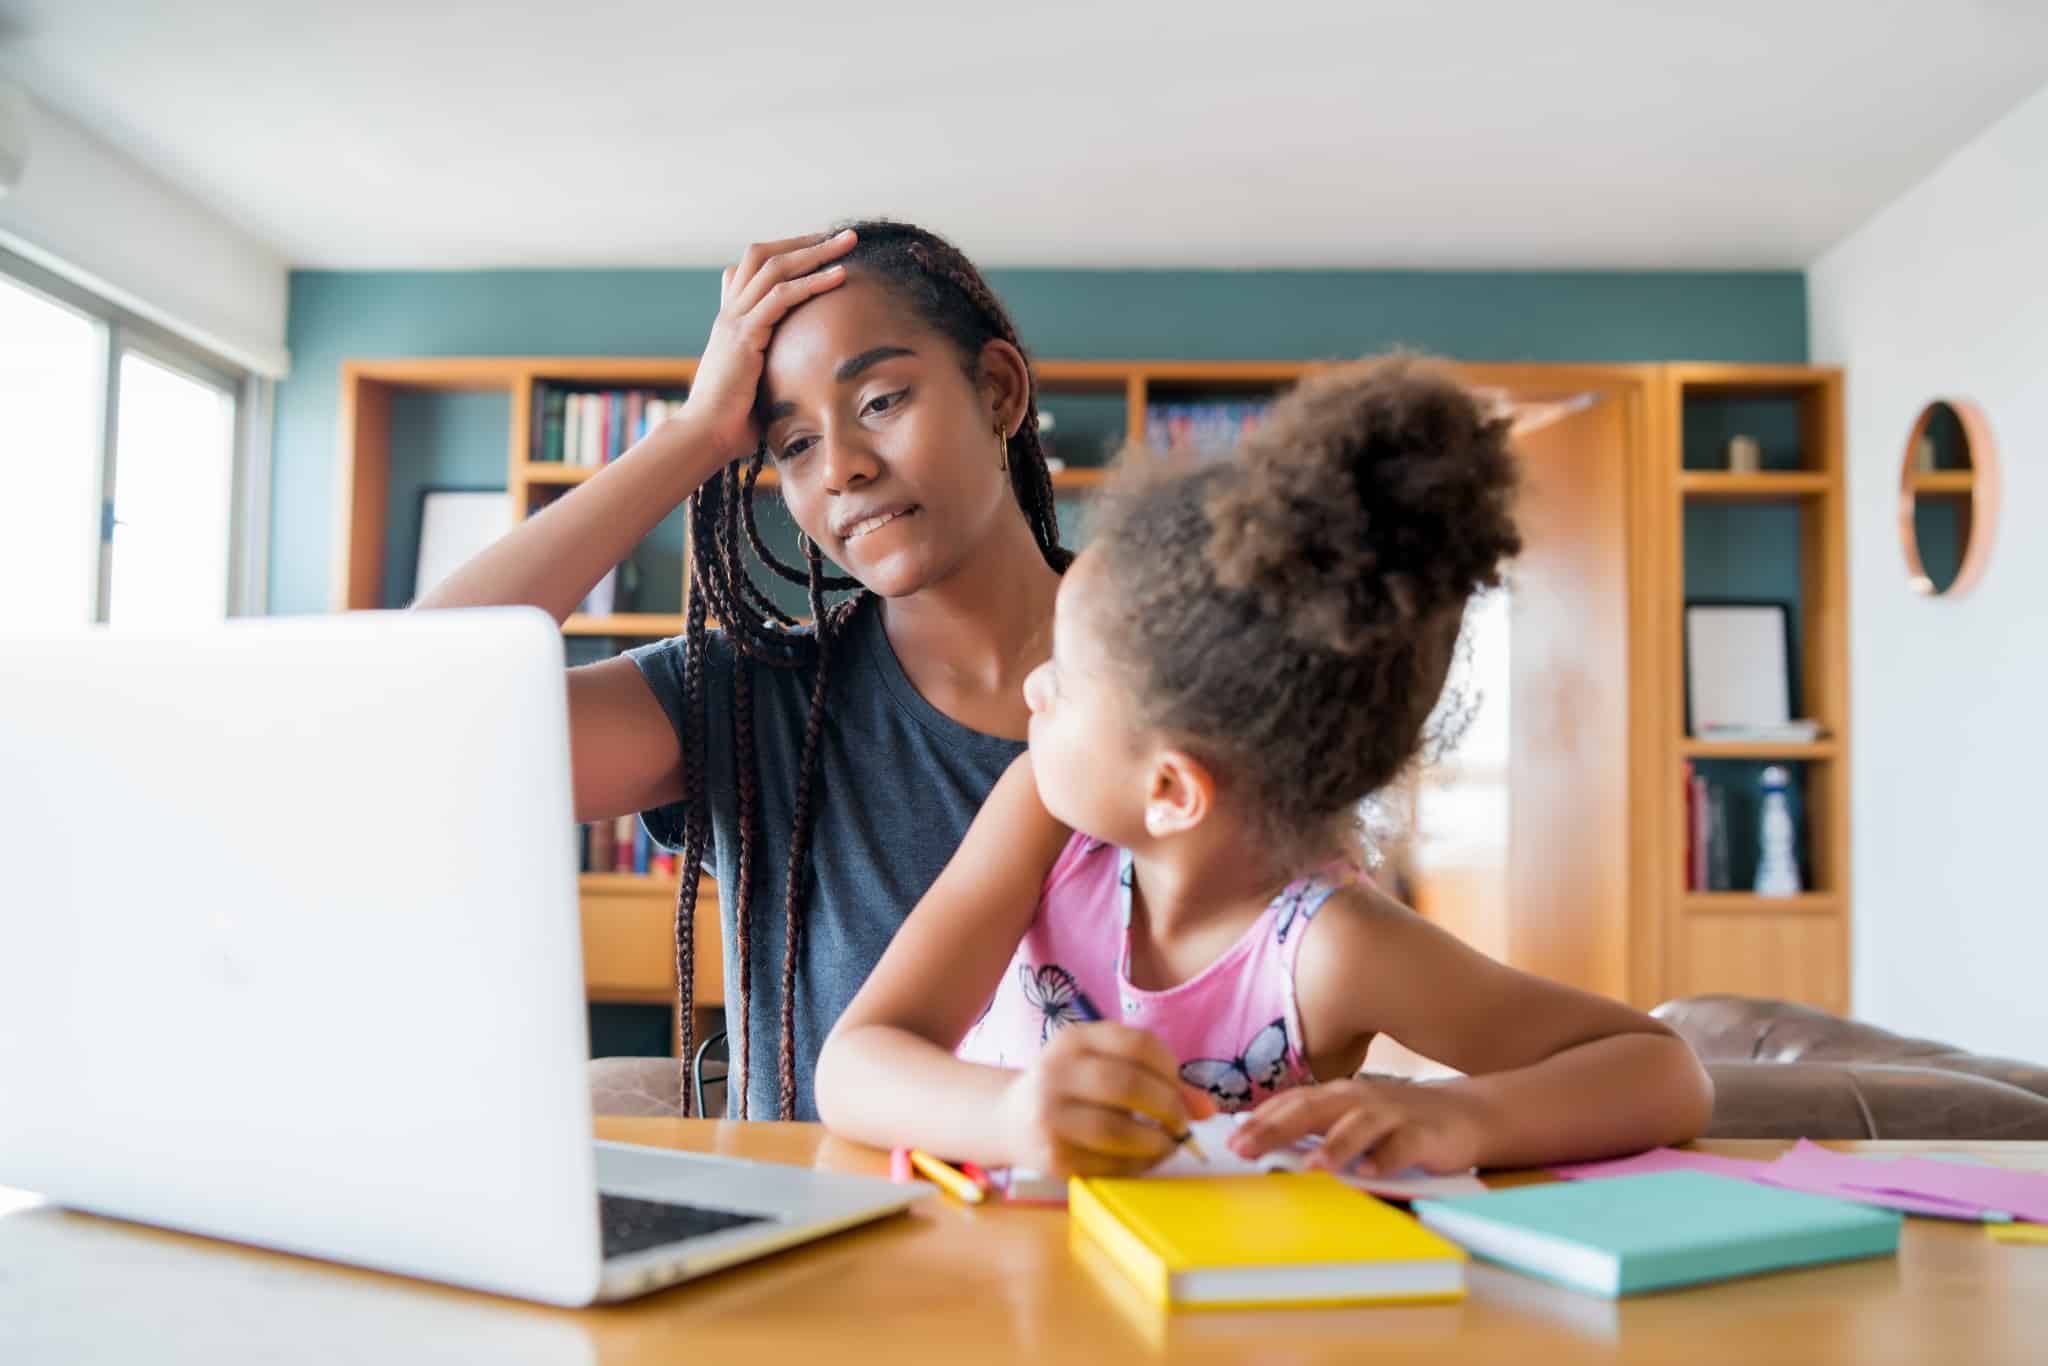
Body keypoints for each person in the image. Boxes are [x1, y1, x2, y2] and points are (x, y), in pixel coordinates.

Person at [815, 360, 1715, 1177]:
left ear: (1171, 790)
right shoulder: (1041, 822)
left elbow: (1663, 1072)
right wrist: (1012, 1116)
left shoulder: (1332, 947)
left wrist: (1463, 1114)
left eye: (1068, 680)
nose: (1036, 686)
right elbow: (855, 1065)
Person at [417, 222, 1071, 1120]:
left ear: (997, 389)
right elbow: (420, 706)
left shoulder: (1186, 673)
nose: (842, 465)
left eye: (880, 400)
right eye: (793, 444)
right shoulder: (748, 691)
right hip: (822, 1242)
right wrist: (691, 436)